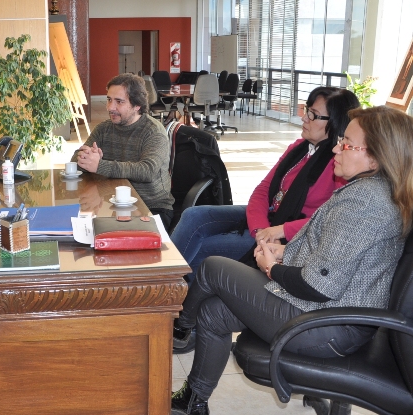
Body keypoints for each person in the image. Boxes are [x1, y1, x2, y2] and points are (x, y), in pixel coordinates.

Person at [170, 105, 413, 415]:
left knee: (212, 268)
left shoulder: (364, 202)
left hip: (323, 325)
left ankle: (179, 329)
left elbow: (319, 285)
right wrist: (283, 252)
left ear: (377, 157)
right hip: (331, 314)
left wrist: (271, 268)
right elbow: (338, 256)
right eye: (341, 139)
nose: (336, 147)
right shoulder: (376, 191)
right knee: (214, 311)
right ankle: (194, 401)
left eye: (347, 143)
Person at [170, 87, 359, 290]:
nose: (304, 118)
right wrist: (260, 231)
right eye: (306, 110)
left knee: (204, 249)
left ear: (335, 123)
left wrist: (279, 231)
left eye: (313, 115)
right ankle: (158, 279)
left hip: (293, 234)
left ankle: (175, 299)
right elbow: (263, 190)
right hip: (270, 220)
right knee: (194, 215)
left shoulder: (340, 165)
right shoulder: (299, 148)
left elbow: (328, 222)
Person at [71, 73, 175, 230]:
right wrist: (87, 158)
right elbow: (75, 160)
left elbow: (147, 171)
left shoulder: (153, 132)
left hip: (151, 208)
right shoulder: (104, 129)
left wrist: (100, 165)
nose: (110, 107)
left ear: (137, 105)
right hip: (114, 205)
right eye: (109, 100)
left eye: (119, 102)